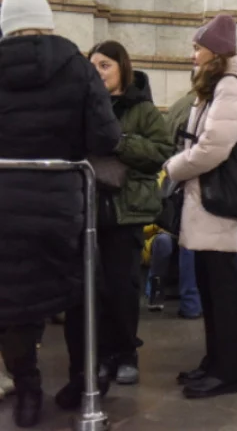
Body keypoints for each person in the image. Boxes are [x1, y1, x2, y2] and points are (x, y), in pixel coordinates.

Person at [0, 0, 121, 428]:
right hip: (61, 205)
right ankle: (80, 384)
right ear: (46, 22)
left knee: (12, 301)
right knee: (79, 295)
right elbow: (106, 137)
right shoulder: (76, 66)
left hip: (3, 205)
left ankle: (28, 393)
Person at [165, 13, 237, 399]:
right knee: (212, 291)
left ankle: (228, 373)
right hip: (209, 204)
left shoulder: (228, 86)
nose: (192, 54)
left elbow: (212, 148)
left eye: (197, 47)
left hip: (217, 206)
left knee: (222, 295)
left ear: (216, 51)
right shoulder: (219, 84)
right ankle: (215, 363)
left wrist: (174, 167)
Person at [60, 41, 172, 392]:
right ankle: (93, 359)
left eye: (104, 64)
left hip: (125, 210)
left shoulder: (142, 110)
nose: (97, 71)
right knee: (89, 289)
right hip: (85, 208)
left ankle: (124, 354)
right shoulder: (80, 106)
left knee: (122, 287)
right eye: (92, 65)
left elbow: (160, 152)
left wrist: (119, 141)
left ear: (123, 67)